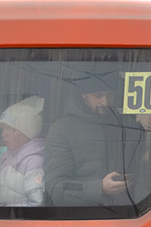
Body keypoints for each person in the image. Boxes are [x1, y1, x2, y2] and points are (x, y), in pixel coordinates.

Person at [43, 73, 133, 207]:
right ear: (83, 95)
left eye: (110, 95)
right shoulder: (62, 129)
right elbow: (55, 186)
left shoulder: (126, 126)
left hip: (130, 215)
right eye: (98, 95)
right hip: (82, 219)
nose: (105, 102)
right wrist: (99, 188)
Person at [0, 96, 46, 206]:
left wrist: (13, 217)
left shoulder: (34, 161)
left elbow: (37, 203)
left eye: (11, 129)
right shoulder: (6, 159)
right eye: (3, 128)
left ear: (27, 132)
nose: (4, 134)